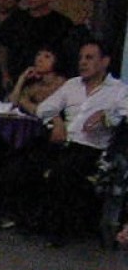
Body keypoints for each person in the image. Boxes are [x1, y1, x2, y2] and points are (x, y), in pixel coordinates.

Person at [31, 41, 128, 245]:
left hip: (91, 147)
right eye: (81, 58)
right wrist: (56, 120)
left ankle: (56, 230)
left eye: (89, 58)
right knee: (24, 161)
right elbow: (44, 109)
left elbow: (125, 114)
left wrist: (106, 116)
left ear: (104, 62)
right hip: (63, 140)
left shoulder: (118, 90)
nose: (83, 63)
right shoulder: (72, 85)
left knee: (64, 170)